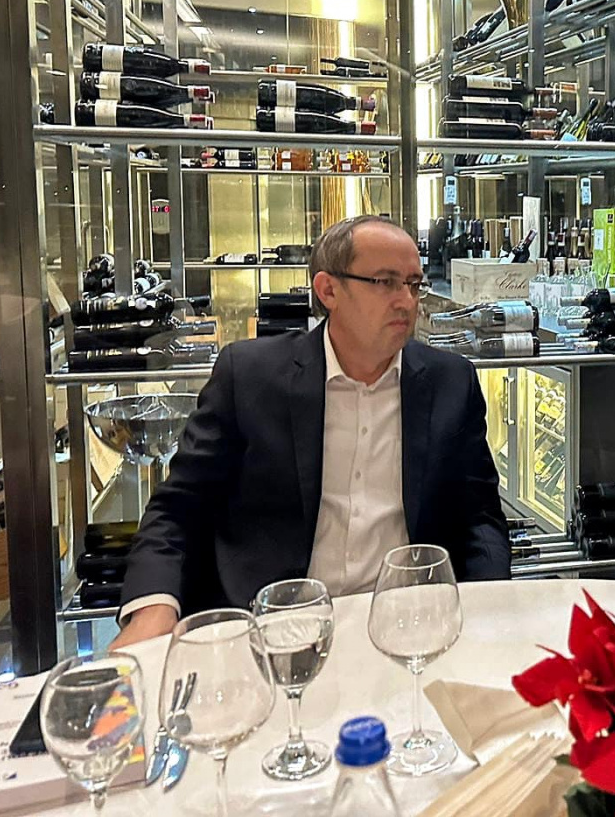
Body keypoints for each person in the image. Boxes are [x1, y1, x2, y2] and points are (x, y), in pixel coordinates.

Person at [112, 215, 510, 649]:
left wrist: (488, 607)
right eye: (386, 282)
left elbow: (480, 519)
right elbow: (178, 509)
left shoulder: (451, 382)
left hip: (409, 626)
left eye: (414, 284)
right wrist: (152, 609)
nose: (406, 301)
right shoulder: (250, 376)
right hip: (271, 626)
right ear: (328, 290)